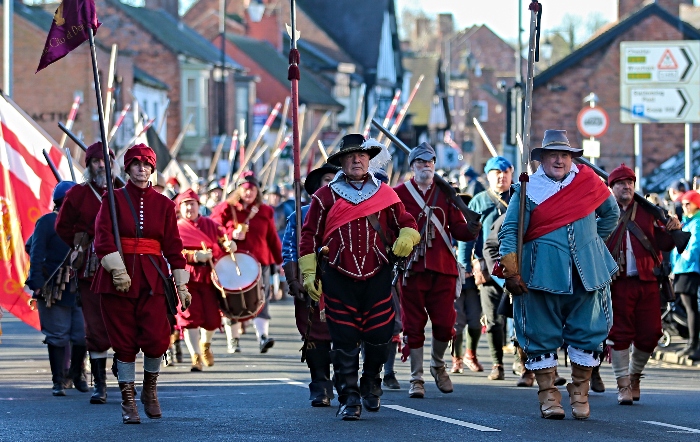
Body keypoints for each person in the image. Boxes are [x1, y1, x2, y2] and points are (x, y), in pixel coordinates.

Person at [498, 130, 619, 420]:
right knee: (540, 334)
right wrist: (512, 268)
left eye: (564, 155)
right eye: (552, 155)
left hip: (586, 273)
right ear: (541, 159)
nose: (559, 160)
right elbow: (511, 229)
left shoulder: (589, 182)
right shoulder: (527, 189)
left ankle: (579, 393)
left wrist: (590, 244)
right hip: (540, 273)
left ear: (572, 158)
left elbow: (611, 216)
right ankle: (549, 396)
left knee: (589, 333)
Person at [298, 134, 419, 420]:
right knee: (344, 340)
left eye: (362, 155)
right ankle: (349, 397)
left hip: (378, 274)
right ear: (341, 161)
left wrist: (407, 236)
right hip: (337, 276)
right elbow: (308, 235)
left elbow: (408, 222)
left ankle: (371, 382)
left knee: (380, 337)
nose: (357, 160)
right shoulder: (324, 196)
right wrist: (309, 272)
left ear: (369, 159)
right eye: (351, 156)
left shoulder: (386, 194)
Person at [92, 144, 192, 424]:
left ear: (152, 168)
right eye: (136, 164)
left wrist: (181, 285)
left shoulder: (165, 204)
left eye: (147, 164)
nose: (141, 169)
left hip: (153, 278)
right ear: (127, 168)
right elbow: (103, 238)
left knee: (157, 339)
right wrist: (117, 270)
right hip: (117, 279)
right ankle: (127, 400)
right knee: (123, 342)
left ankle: (149, 390)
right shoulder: (111, 199)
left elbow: (173, 246)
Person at [393, 142, 479, 399]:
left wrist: (473, 226)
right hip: (411, 270)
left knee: (445, 324)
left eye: (430, 162)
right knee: (413, 325)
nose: (426, 166)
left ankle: (438, 364)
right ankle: (416, 377)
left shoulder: (446, 192)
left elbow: (459, 231)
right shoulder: (399, 193)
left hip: (443, 268)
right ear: (412, 167)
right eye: (420, 162)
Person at [605, 164, 679, 405]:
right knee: (619, 334)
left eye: (630, 183)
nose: (626, 187)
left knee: (650, 334)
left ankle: (635, 375)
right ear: (612, 187)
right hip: (618, 283)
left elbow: (667, 244)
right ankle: (623, 384)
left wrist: (673, 226)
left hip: (647, 281)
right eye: (621, 183)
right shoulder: (603, 211)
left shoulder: (649, 212)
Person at [55, 142, 118, 404]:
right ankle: (99, 386)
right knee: (94, 324)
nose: (101, 165)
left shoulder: (122, 191)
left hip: (121, 264)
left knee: (122, 321)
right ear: (89, 165)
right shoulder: (77, 195)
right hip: (90, 267)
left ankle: (124, 374)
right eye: (95, 161)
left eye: (105, 160)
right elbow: (62, 226)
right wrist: (81, 244)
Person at [282, 163, 339, 407]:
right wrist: (294, 279)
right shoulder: (300, 215)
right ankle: (320, 385)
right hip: (311, 281)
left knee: (347, 334)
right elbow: (289, 249)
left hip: (345, 280)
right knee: (315, 335)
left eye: (336, 180)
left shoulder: (353, 210)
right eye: (327, 180)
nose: (332, 185)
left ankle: (346, 382)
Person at [27, 181, 88, 397]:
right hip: (53, 287)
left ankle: (76, 373)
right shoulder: (47, 222)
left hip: (80, 288)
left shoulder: (84, 223)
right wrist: (37, 282)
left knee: (82, 336)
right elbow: (33, 249)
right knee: (57, 336)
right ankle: (59, 380)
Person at [211, 171, 283, 353]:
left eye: (252, 189)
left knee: (262, 299)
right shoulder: (226, 209)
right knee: (231, 300)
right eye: (245, 189)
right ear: (239, 190)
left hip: (260, 262)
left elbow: (272, 238)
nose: (249, 193)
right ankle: (233, 339)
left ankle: (262, 337)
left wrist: (281, 261)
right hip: (232, 262)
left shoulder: (265, 210)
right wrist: (229, 235)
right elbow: (213, 229)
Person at [460, 156, 513, 382]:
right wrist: (464, 264)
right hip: (488, 267)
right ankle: (497, 364)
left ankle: (523, 364)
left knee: (520, 320)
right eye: (496, 173)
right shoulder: (479, 201)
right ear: (488, 175)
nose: (501, 177)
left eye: (505, 172)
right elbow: (467, 236)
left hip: (516, 267)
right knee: (493, 320)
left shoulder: (520, 199)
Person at [175, 189, 233, 371]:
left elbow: (223, 240)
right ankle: (195, 357)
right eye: (185, 205)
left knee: (212, 319)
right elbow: (171, 252)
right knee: (190, 317)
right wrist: (193, 256)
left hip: (209, 276)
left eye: (192, 204)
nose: (189, 208)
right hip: (187, 277)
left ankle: (205, 345)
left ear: (198, 206)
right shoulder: (176, 227)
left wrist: (229, 244)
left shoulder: (210, 224)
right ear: (180, 208)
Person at [672, 190, 700, 361]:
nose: (684, 207)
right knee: (688, 306)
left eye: (687, 203)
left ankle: (693, 344)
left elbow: (694, 246)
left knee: (691, 308)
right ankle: (692, 343)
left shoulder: (696, 222)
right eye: (683, 204)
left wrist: (684, 255)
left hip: (690, 268)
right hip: (683, 267)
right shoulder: (689, 221)